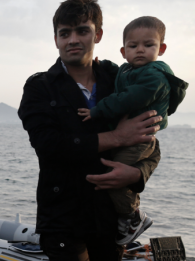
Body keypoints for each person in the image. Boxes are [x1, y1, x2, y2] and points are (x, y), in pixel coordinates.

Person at [17, 0, 162, 261]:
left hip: (110, 217)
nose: (73, 39)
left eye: (82, 31)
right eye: (65, 33)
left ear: (98, 34)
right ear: (56, 39)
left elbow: (151, 139)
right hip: (62, 217)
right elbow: (50, 146)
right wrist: (115, 139)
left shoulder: (122, 78)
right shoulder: (40, 86)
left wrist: (136, 174)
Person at [78, 16, 188, 245]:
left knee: (115, 180)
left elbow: (127, 99)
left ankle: (132, 216)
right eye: (133, 46)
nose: (140, 50)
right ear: (123, 50)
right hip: (135, 138)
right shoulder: (130, 69)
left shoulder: (154, 77)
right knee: (116, 176)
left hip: (140, 139)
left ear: (162, 48)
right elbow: (121, 73)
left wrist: (98, 111)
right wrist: (104, 66)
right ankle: (127, 216)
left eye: (148, 45)